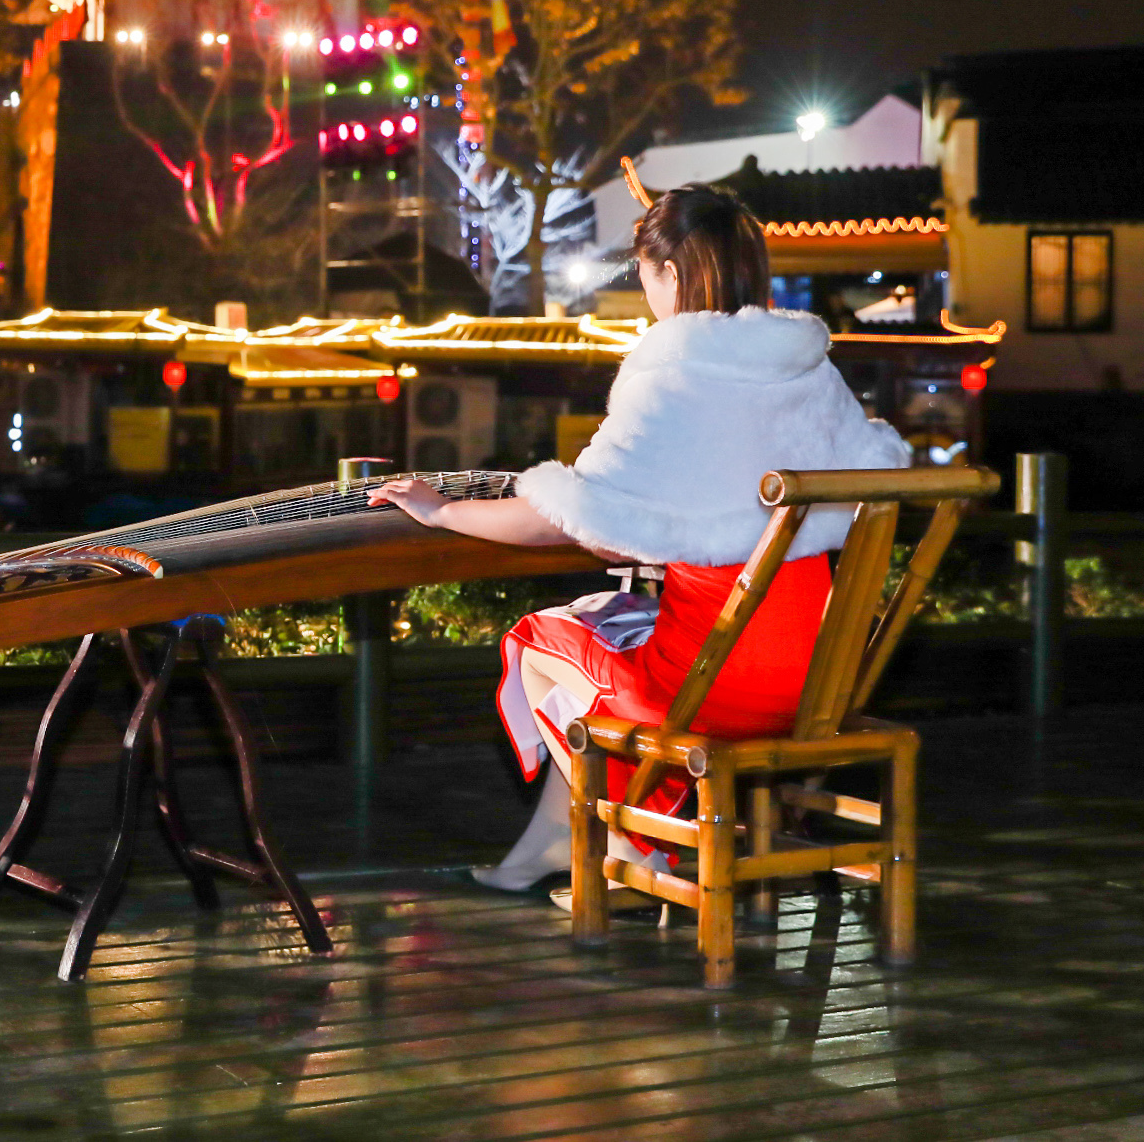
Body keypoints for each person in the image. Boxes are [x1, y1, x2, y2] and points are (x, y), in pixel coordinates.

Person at [370, 184, 910, 904]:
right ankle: (542, 849)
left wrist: (441, 512)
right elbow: (860, 478)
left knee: (536, 644)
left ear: (671, 273)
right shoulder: (811, 368)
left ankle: (630, 848)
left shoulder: (671, 374)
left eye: (645, 274)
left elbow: (565, 518)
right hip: (817, 675)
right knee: (615, 625)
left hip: (711, 689)